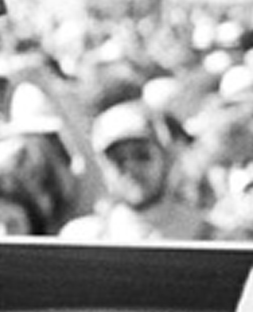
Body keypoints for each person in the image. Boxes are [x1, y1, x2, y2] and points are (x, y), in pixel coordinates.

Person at [60, 99, 213, 242]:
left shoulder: (210, 235)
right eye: (118, 160)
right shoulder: (84, 237)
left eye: (142, 155)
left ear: (166, 159)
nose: (131, 168)